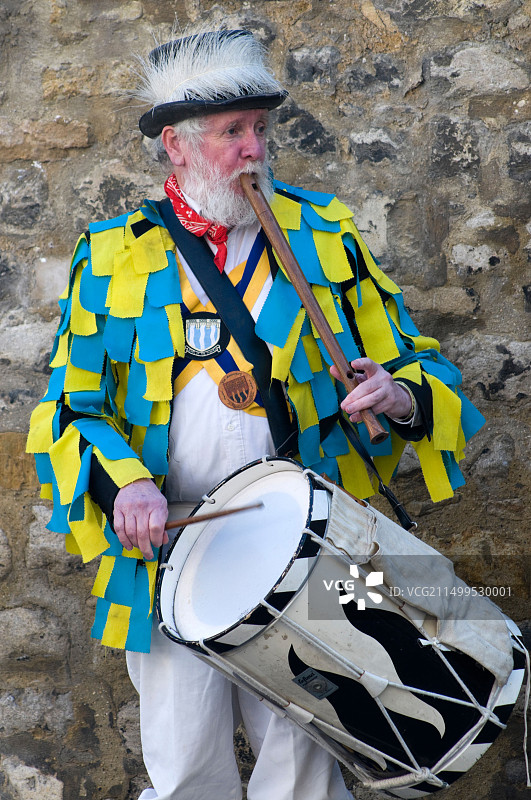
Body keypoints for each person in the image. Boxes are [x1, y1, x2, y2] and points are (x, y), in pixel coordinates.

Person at [27, 27, 485, 800]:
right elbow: (72, 404)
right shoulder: (113, 252)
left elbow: (419, 362)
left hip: (309, 549)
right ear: (174, 145)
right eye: (231, 133)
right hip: (171, 556)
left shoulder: (322, 234)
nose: (252, 149)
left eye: (260, 130)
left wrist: (399, 393)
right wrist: (124, 485)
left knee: (305, 767)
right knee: (185, 767)